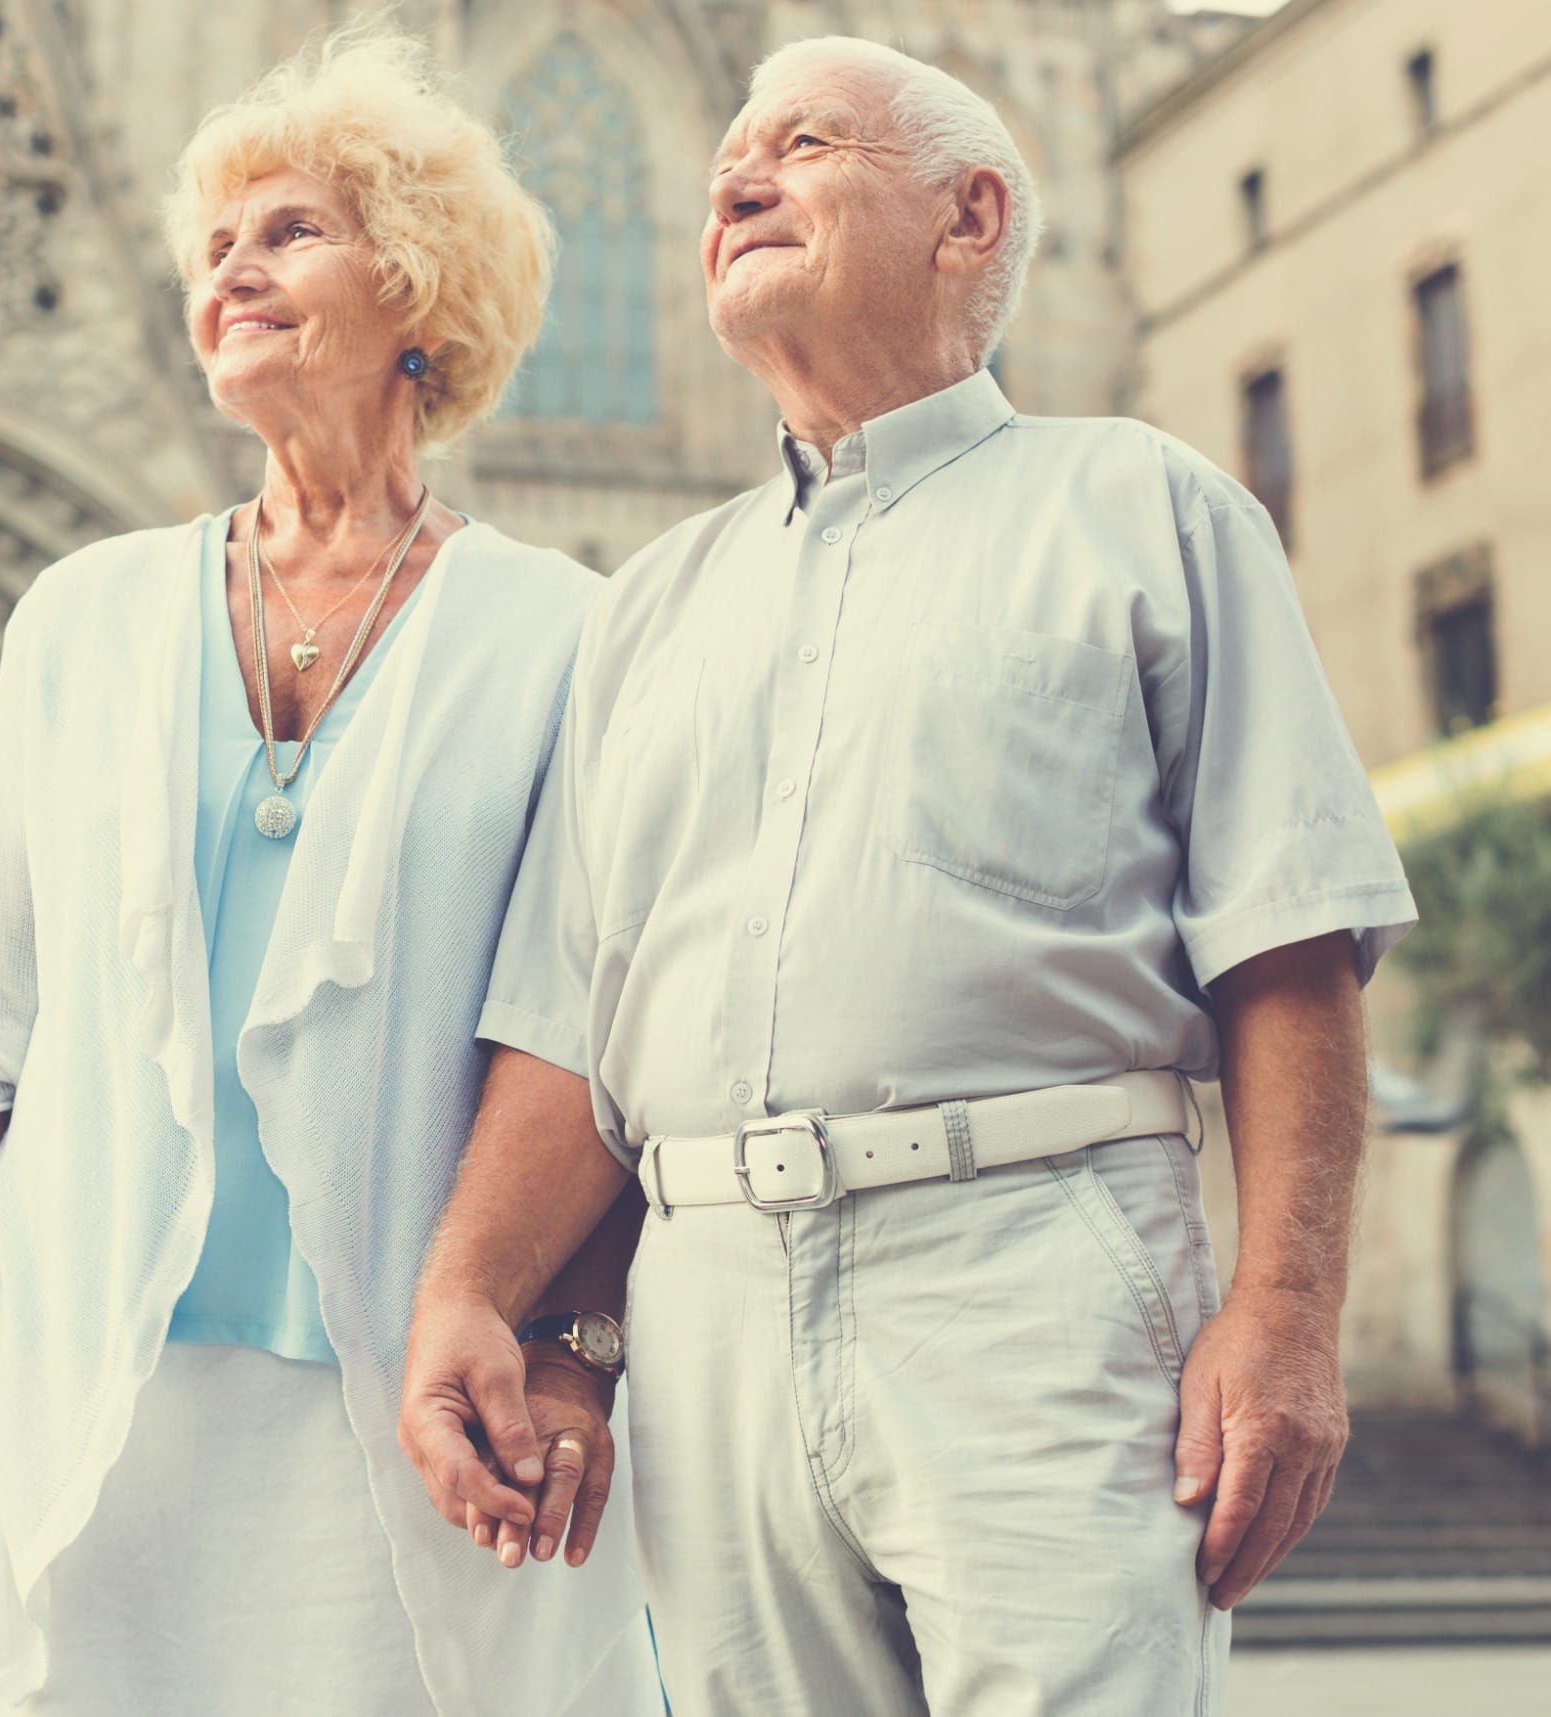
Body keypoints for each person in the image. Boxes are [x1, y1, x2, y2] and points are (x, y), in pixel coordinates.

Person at [398, 34, 1417, 1717]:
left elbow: (1288, 946)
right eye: (727, 158)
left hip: (1033, 1264)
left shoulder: (1145, 508)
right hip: (709, 1299)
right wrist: (488, 1305)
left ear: (971, 217)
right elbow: (578, 1033)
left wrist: (1289, 1309)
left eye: (803, 144)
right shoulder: (644, 606)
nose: (734, 181)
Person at [0, 24, 660, 1717]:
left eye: (291, 231)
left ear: (420, 297)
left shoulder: (564, 635)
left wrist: (578, 1350)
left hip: (406, 1428)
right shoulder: (78, 619)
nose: (235, 268)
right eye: (215, 244)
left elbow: (593, 1041)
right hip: (107, 1420)